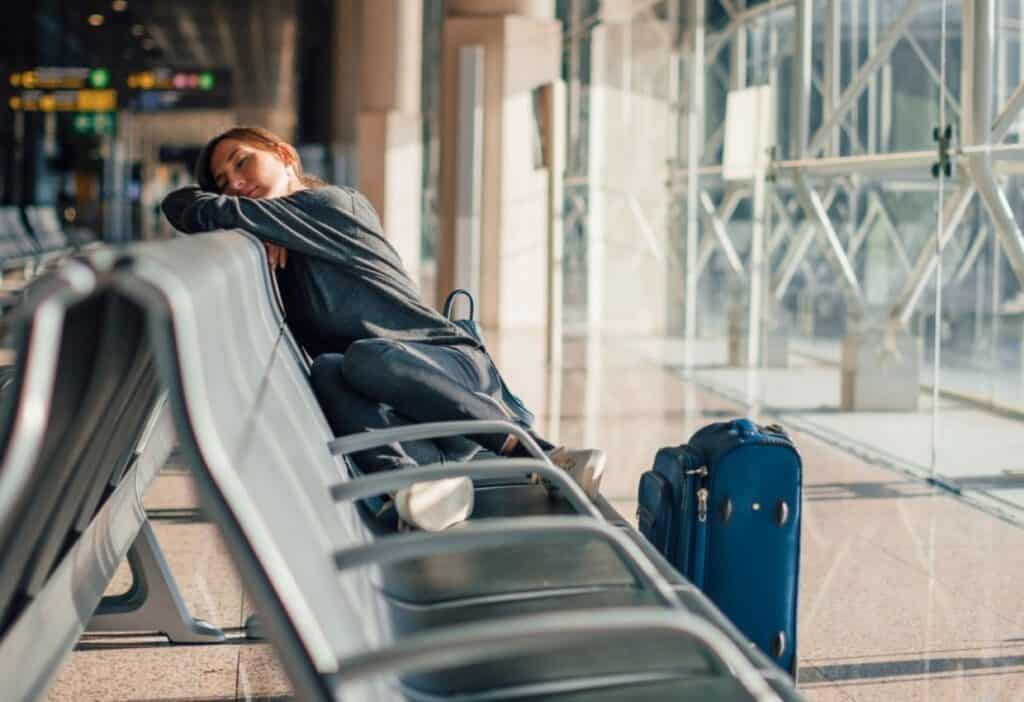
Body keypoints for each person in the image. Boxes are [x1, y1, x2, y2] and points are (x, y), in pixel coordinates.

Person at [161, 126, 605, 530]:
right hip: (410, 424)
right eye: (224, 183)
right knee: (329, 370)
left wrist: (252, 218)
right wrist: (259, 224)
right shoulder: (280, 227)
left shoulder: (333, 205)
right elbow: (179, 205)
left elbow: (198, 209)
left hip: (452, 375)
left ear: (283, 154)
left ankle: (539, 453)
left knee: (364, 355)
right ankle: (417, 489)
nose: (236, 184)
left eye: (241, 162)